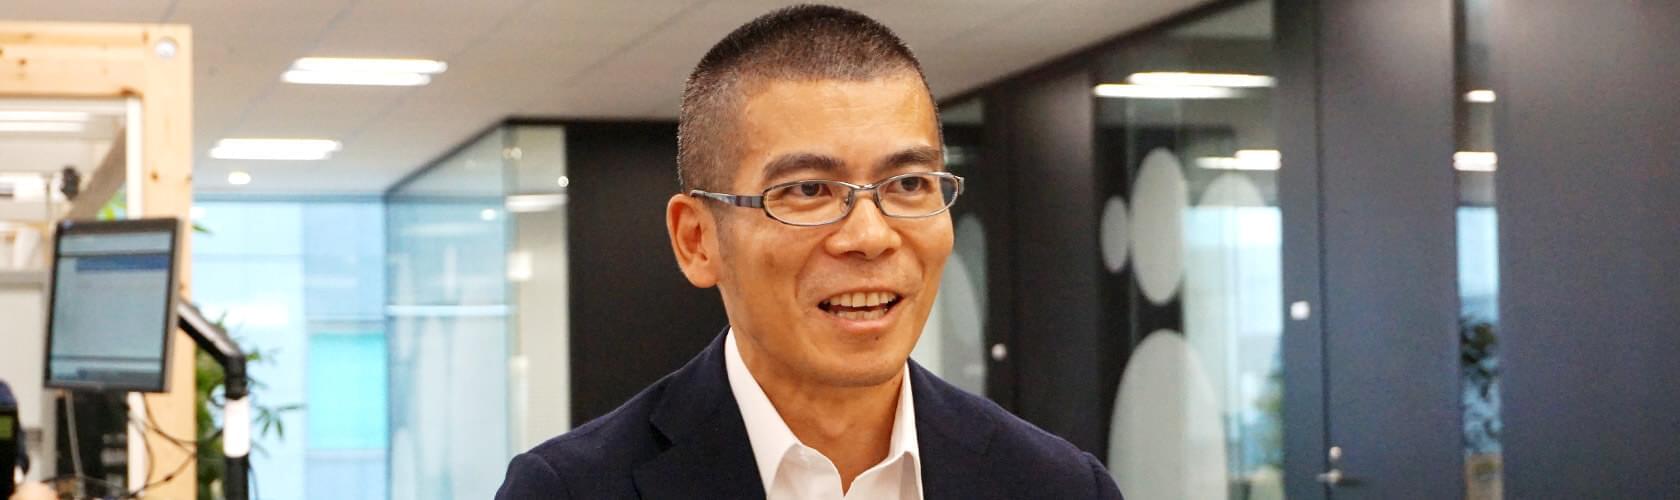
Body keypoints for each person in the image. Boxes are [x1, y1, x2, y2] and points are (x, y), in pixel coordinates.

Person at [497, 5, 1124, 499]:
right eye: (807, 190)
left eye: (908, 184)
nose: (870, 236)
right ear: (697, 240)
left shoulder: (1058, 485)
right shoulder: (572, 489)